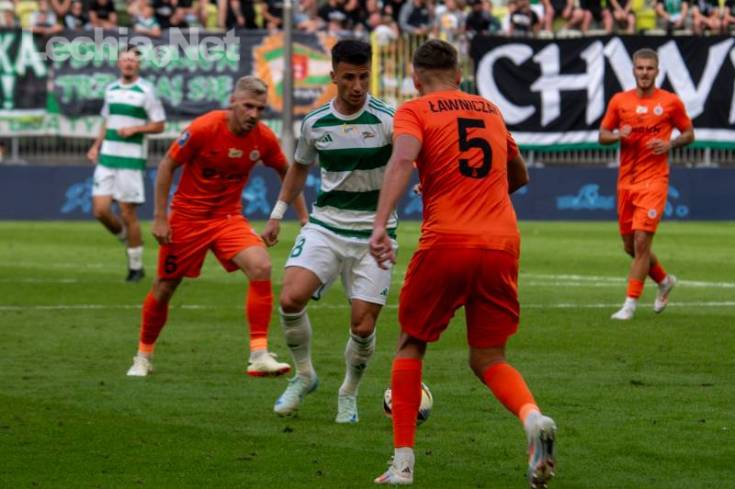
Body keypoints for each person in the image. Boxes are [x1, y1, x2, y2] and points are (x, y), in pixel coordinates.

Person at [368, 39, 556, 487]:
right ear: (459, 74)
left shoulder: (414, 110)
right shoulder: (490, 110)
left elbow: (403, 158)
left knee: (411, 343)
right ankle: (532, 418)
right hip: (501, 243)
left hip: (447, 240)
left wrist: (380, 224)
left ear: (415, 78)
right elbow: (519, 174)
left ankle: (402, 464)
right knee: (489, 356)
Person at [125, 76, 309, 378]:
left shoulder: (263, 138)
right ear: (232, 103)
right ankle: (143, 356)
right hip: (187, 219)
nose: (254, 114)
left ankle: (259, 354)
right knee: (165, 287)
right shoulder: (204, 127)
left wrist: (299, 216)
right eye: (248, 106)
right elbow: (167, 165)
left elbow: (288, 173)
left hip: (228, 219)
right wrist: (160, 216)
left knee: (261, 266)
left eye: (260, 108)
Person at [261, 40, 397, 424]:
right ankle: (305, 374)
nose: (358, 86)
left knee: (363, 326)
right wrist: (277, 214)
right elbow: (299, 168)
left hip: (375, 234)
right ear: (334, 76)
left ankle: (348, 392)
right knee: (290, 298)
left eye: (364, 77)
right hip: (326, 225)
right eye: (349, 77)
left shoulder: (389, 119)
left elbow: (411, 159)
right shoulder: (315, 122)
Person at [599, 48, 694, 321]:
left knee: (642, 241)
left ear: (657, 71)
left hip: (654, 180)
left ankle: (629, 304)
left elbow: (689, 133)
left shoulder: (670, 102)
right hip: (626, 183)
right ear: (633, 70)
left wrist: (670, 143)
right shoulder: (620, 101)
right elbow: (602, 135)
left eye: (649, 68)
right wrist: (618, 134)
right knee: (631, 247)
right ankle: (664, 281)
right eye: (640, 68)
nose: (644, 73)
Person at [87, 47, 165, 283]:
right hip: (107, 156)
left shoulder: (146, 91)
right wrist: (96, 145)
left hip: (131, 159)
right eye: (125, 60)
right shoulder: (111, 89)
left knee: (127, 212)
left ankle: (136, 267)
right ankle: (126, 237)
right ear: (118, 63)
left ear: (138, 64)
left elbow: (159, 124)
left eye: (133, 60)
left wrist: (136, 128)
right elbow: (107, 121)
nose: (129, 64)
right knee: (100, 210)